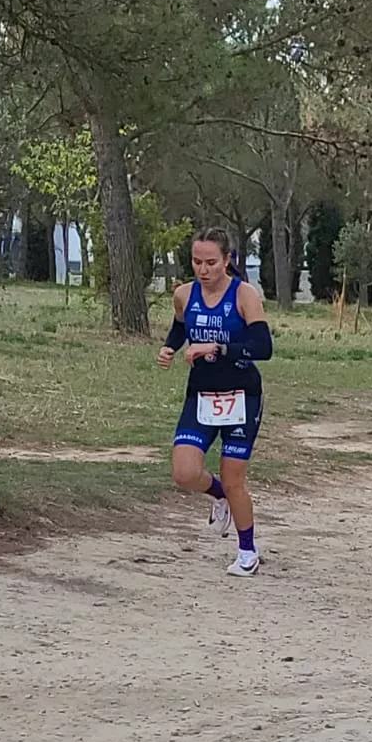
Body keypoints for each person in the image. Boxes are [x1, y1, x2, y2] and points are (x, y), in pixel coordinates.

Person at [157, 227, 272, 577]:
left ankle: (247, 551)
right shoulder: (184, 294)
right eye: (196, 262)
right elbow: (180, 327)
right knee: (184, 473)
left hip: (241, 396)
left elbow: (263, 347)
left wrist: (218, 348)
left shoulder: (244, 295)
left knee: (234, 477)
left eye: (211, 262)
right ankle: (219, 495)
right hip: (202, 395)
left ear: (227, 260)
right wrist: (169, 347)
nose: (203, 270)